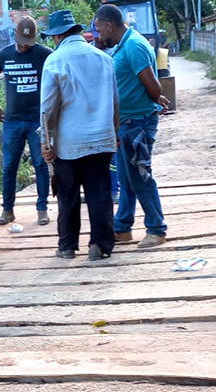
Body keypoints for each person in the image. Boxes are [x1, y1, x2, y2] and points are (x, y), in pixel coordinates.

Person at [39, 9, 118, 261]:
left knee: (68, 195)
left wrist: (45, 141)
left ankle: (67, 247)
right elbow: (115, 102)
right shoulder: (104, 58)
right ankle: (99, 246)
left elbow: (47, 108)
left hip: (69, 142)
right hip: (101, 139)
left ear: (57, 36)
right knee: (100, 193)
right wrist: (114, 132)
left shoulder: (54, 60)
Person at [94, 3, 170, 249]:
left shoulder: (133, 46)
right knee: (126, 179)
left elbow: (154, 87)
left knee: (141, 177)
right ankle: (122, 227)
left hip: (137, 123)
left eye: (98, 28)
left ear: (109, 25)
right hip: (126, 123)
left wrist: (155, 97)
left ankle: (156, 229)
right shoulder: (123, 45)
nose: (98, 34)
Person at [0, 17, 52, 227]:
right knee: (9, 167)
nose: (24, 46)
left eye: (28, 42)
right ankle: (8, 210)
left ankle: (42, 209)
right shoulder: (4, 55)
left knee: (40, 164)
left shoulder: (44, 55)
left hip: (37, 120)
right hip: (12, 121)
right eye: (20, 41)